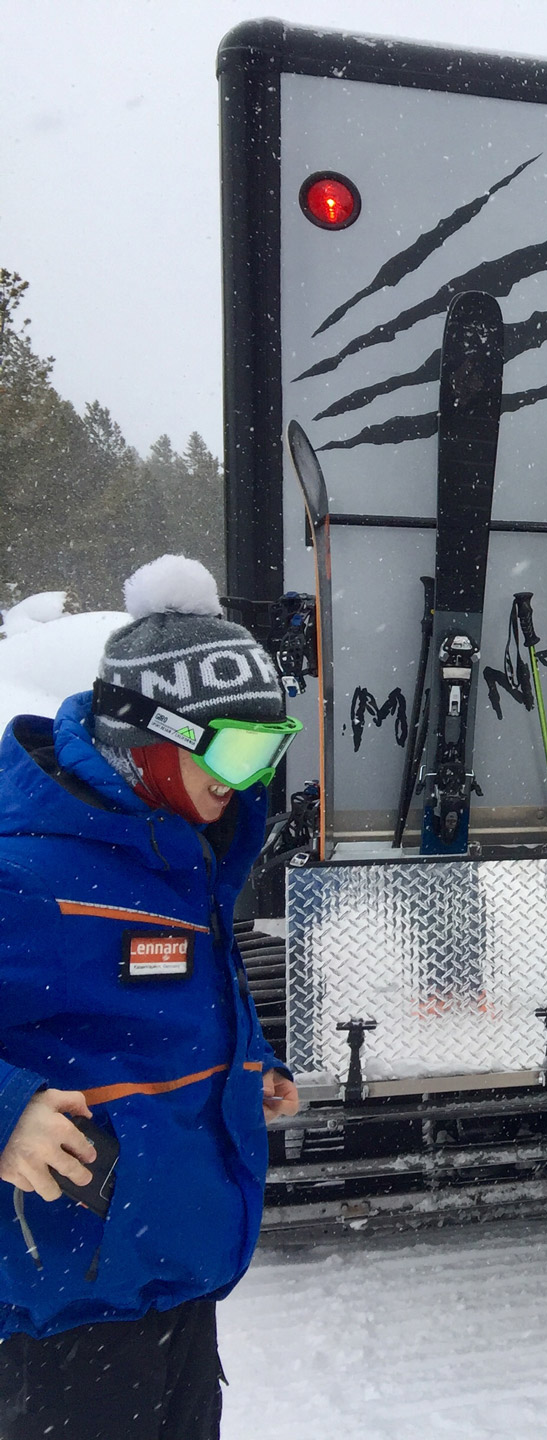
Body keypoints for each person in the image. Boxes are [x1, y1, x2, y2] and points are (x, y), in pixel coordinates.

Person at [0, 555, 302, 1439]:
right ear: (148, 734)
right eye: (236, 749)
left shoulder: (181, 854)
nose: (247, 781)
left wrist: (244, 1067)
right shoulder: (28, 871)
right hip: (67, 1311)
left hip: (173, 1278)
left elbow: (162, 1013)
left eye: (267, 751)